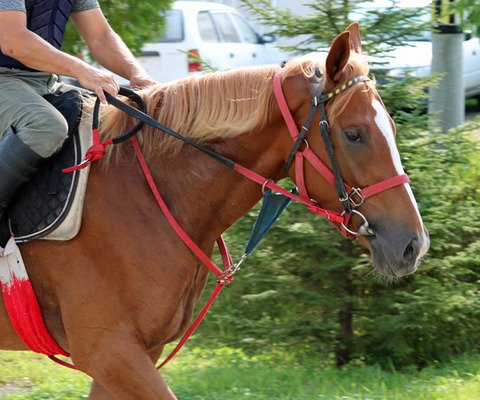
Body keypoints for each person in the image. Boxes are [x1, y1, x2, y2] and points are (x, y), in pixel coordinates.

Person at [0, 0, 156, 220]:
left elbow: (100, 36)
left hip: (44, 80)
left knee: (108, 119)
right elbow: (12, 39)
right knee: (45, 127)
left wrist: (136, 73)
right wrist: (82, 70)